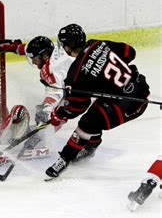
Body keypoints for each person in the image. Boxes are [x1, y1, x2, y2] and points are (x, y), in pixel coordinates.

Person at [46, 24, 150, 178]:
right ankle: (91, 144)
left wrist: (60, 114)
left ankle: (66, 158)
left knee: (87, 123)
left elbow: (77, 107)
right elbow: (129, 52)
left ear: (69, 46)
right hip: (140, 89)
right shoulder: (98, 44)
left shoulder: (75, 74)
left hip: (126, 106)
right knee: (97, 111)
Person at [0, 35, 74, 158]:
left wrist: (46, 108)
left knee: (54, 115)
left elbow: (55, 93)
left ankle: (37, 142)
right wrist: (14, 47)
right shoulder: (54, 47)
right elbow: (29, 49)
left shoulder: (50, 69)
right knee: (49, 114)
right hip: (74, 81)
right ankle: (36, 133)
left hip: (79, 90)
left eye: (35, 58)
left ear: (45, 56)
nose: (34, 62)